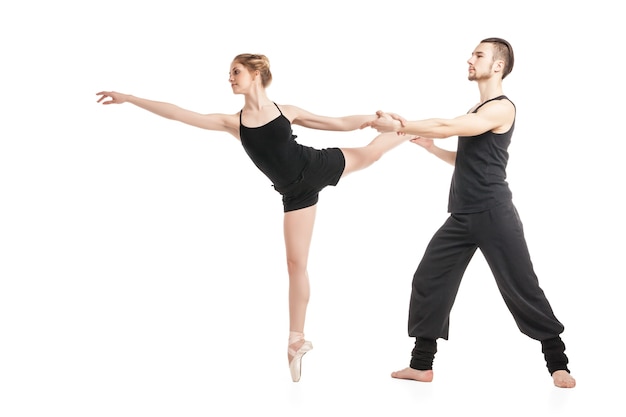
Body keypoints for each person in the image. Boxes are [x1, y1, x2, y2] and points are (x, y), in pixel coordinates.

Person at [96, 53, 409, 382]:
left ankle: (412, 130)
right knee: (295, 264)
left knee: (373, 153)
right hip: (294, 194)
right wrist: (129, 98)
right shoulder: (235, 123)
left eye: (236, 72)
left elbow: (337, 123)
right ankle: (295, 341)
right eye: (230, 73)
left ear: (256, 73)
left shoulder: (285, 111)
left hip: (315, 166)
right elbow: (179, 114)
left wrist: (375, 119)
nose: (230, 78)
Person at [361, 38, 576, 388]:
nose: (469, 59)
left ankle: (558, 364)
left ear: (497, 66)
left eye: (478, 55)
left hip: (493, 213)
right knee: (430, 279)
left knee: (521, 287)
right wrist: (432, 148)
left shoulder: (502, 108)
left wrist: (402, 125)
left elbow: (447, 126)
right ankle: (421, 365)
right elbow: (469, 159)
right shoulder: (477, 112)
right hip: (461, 215)